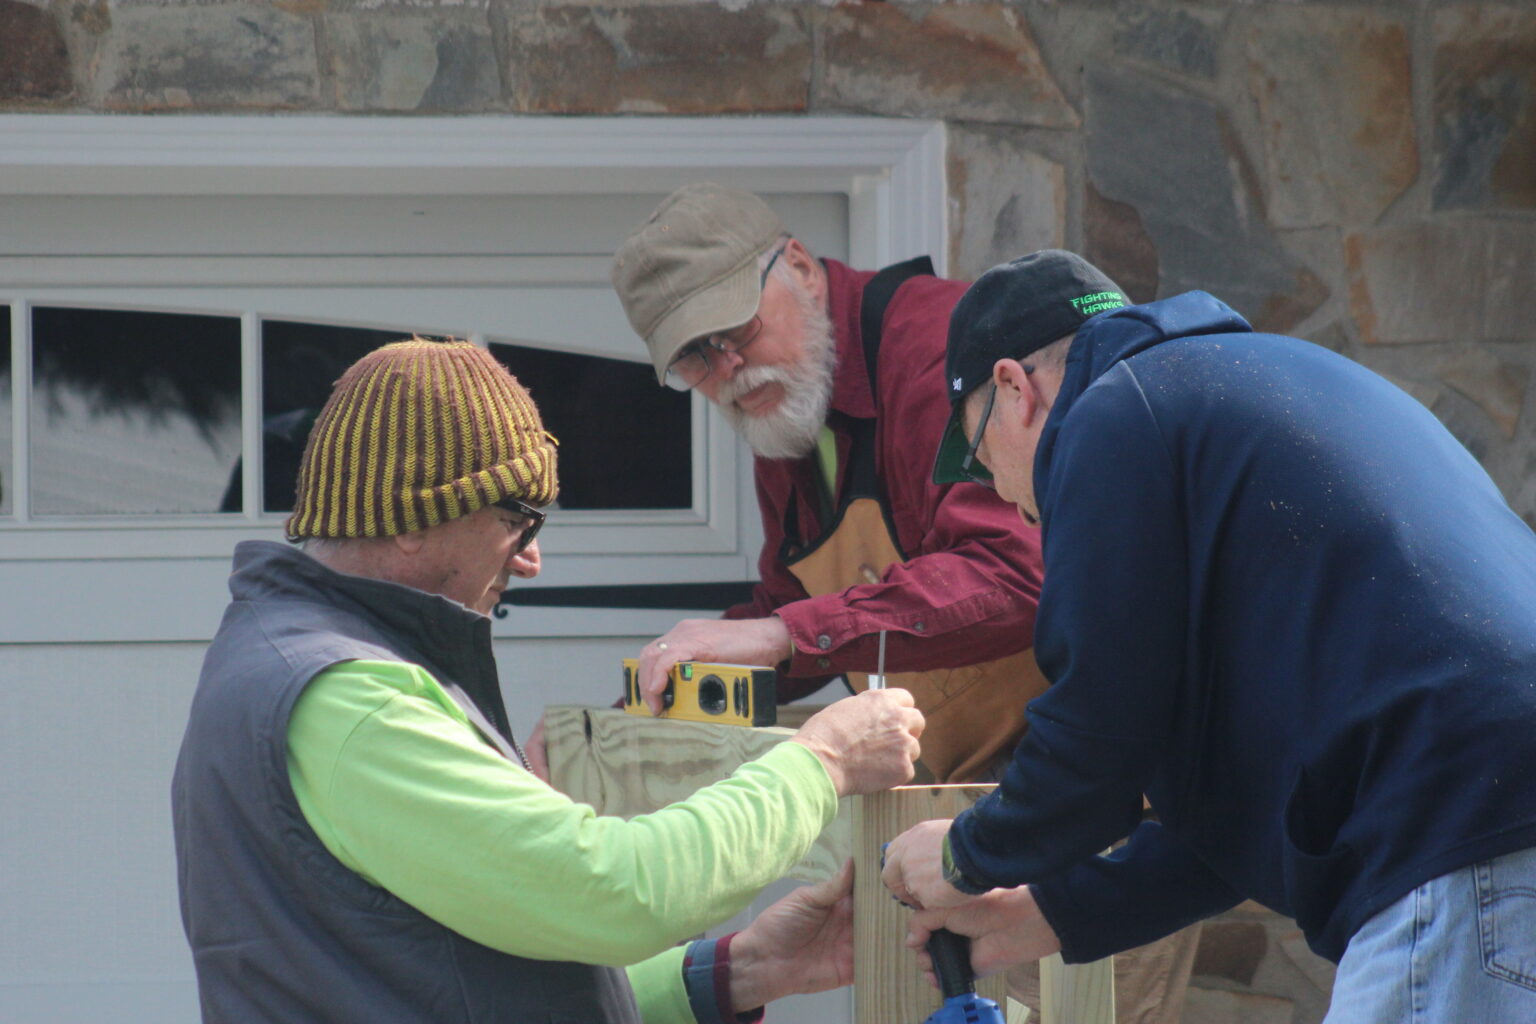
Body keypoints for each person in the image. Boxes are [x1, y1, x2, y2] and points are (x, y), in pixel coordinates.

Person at [171, 338, 926, 1023]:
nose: (532, 559)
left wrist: (742, 969)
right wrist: (822, 760)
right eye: (519, 519)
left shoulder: (300, 663)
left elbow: (457, 981)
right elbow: (618, 891)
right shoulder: (349, 701)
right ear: (410, 520)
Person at [880, 251, 1536, 1022]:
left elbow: (1096, 743)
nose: (1013, 505)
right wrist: (1054, 913)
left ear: (1016, 390)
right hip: (1490, 819)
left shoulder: (1109, 416)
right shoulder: (1255, 387)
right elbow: (1239, 818)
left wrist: (963, 853)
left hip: (1460, 829)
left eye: (987, 457)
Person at [608, 182, 1047, 785]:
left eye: (734, 328)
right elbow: (795, 607)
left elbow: (1021, 573)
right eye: (693, 357)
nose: (728, 368)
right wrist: (616, 725)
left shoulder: (939, 349)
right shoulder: (788, 407)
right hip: (964, 781)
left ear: (800, 268)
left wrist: (780, 633)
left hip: (1085, 760)